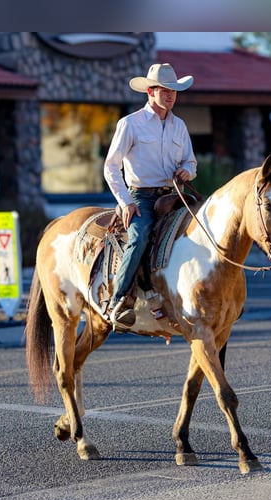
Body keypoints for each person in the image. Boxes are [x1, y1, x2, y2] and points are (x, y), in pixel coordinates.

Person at [103, 63, 197, 329]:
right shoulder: (130, 124)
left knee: (204, 229)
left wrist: (187, 171)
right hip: (141, 196)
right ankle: (118, 300)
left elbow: (191, 162)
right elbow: (111, 165)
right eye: (165, 90)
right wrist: (125, 202)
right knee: (140, 235)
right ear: (150, 91)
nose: (171, 96)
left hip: (174, 195)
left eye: (174, 91)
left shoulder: (179, 125)